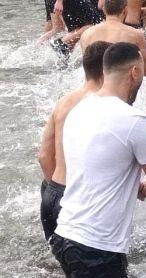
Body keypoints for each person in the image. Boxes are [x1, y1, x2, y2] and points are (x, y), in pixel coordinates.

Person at [51, 43, 146, 276]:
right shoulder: (134, 120)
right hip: (97, 247)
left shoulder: (80, 109)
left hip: (66, 234)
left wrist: (136, 187)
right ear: (134, 72)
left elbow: (94, 166)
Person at [38, 41, 109, 241]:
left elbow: (43, 156)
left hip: (51, 194)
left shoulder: (63, 102)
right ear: (108, 71)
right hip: (82, 199)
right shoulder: (105, 105)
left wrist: (56, 190)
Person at [81, 0, 146, 77]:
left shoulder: (86, 34)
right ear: (126, 10)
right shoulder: (135, 35)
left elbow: (89, 70)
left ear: (104, 10)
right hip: (117, 89)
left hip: (94, 90)